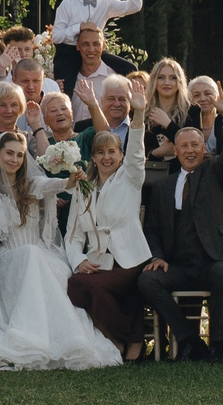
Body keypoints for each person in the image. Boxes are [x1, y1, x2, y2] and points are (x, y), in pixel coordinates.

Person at [0, 132, 120, 371]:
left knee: (34, 255)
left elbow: (58, 185)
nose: (14, 159)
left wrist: (70, 179)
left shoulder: (32, 185)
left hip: (40, 254)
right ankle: (26, 338)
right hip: (6, 258)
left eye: (19, 155)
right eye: (9, 153)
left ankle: (59, 339)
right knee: (28, 255)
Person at [140, 126, 223, 363]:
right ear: (175, 151)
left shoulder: (216, 173)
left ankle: (216, 345)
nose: (190, 151)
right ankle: (189, 340)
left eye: (195, 145)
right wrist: (157, 257)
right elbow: (152, 229)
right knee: (147, 280)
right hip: (178, 266)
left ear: (204, 148)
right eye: (184, 146)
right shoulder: (162, 186)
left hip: (211, 262)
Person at [64, 118, 160, 361]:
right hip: (99, 260)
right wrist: (78, 261)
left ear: (121, 155)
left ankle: (131, 337)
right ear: (93, 157)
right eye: (100, 152)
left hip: (131, 259)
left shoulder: (130, 178)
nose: (106, 157)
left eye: (112, 152)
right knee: (76, 284)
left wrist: (138, 113)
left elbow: (138, 152)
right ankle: (118, 338)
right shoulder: (83, 186)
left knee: (92, 287)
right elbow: (74, 234)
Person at [50, 0, 142, 88]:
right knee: (64, 89)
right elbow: (56, 37)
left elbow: (134, 6)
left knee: (130, 69)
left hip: (94, 51)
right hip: (68, 52)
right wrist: (80, 27)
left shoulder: (107, 2)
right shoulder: (68, 4)